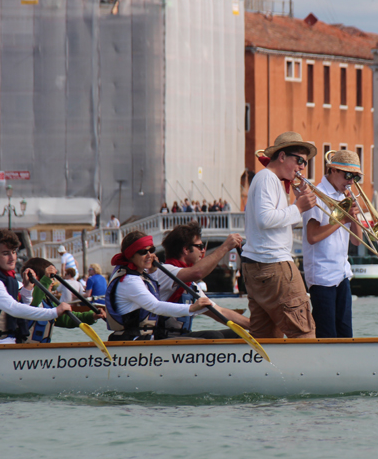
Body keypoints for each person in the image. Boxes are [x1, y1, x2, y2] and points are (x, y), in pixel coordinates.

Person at [241, 131, 317, 339]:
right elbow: (265, 220)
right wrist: (298, 208)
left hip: (258, 266)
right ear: (282, 156)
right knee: (304, 332)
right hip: (274, 264)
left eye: (305, 162)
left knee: (266, 336)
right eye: (299, 160)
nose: (302, 167)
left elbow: (275, 223)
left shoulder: (268, 179)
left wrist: (297, 204)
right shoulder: (268, 178)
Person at [0, 228, 72, 344]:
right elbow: (13, 308)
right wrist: (54, 312)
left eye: (13, 252)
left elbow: (27, 308)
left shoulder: (8, 280)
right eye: (5, 253)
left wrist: (27, 290)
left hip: (10, 344)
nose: (12, 258)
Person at [104, 230, 212, 341]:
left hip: (147, 337)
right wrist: (191, 308)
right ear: (131, 256)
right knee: (199, 341)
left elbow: (154, 293)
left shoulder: (141, 275)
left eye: (151, 250)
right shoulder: (130, 280)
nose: (149, 256)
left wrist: (153, 272)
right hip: (133, 340)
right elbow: (155, 306)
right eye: (143, 252)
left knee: (213, 336)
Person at [302, 150, 363, 338]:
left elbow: (356, 240)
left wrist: (354, 217)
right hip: (322, 276)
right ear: (333, 170)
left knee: (345, 333)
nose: (351, 182)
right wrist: (342, 220)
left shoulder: (344, 196)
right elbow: (312, 236)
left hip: (342, 273)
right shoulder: (316, 195)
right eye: (348, 175)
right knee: (327, 334)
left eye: (355, 177)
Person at [152, 222, 247, 339]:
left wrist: (254, 326)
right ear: (186, 249)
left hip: (182, 338)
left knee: (238, 334)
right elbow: (197, 272)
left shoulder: (190, 284)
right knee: (214, 336)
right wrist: (225, 247)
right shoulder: (164, 271)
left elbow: (220, 312)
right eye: (200, 246)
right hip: (162, 339)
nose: (203, 251)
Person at [20, 257, 104, 343]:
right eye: (51, 278)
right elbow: (33, 304)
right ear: (37, 278)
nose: (53, 282)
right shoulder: (22, 297)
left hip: (41, 349)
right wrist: (45, 280)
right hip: (24, 348)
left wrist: (92, 316)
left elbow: (67, 319)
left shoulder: (48, 303)